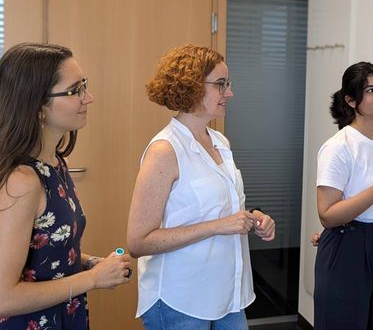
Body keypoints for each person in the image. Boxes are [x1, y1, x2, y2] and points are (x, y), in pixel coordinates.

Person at [127, 44, 276, 330]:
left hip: (228, 294)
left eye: (227, 84)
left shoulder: (221, 142)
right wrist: (219, 225)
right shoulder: (165, 150)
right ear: (192, 86)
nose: (229, 93)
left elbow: (224, 209)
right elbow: (138, 241)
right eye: (221, 85)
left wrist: (255, 217)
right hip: (180, 299)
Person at [0, 43, 132, 329]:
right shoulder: (22, 181)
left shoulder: (55, 162)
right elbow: (4, 297)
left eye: (84, 86)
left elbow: (42, 252)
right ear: (37, 107)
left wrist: (89, 263)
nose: (89, 98)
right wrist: (93, 279)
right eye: (75, 91)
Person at [314, 62, 373, 330]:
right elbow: (327, 215)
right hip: (348, 246)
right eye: (371, 90)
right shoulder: (338, 147)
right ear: (351, 99)